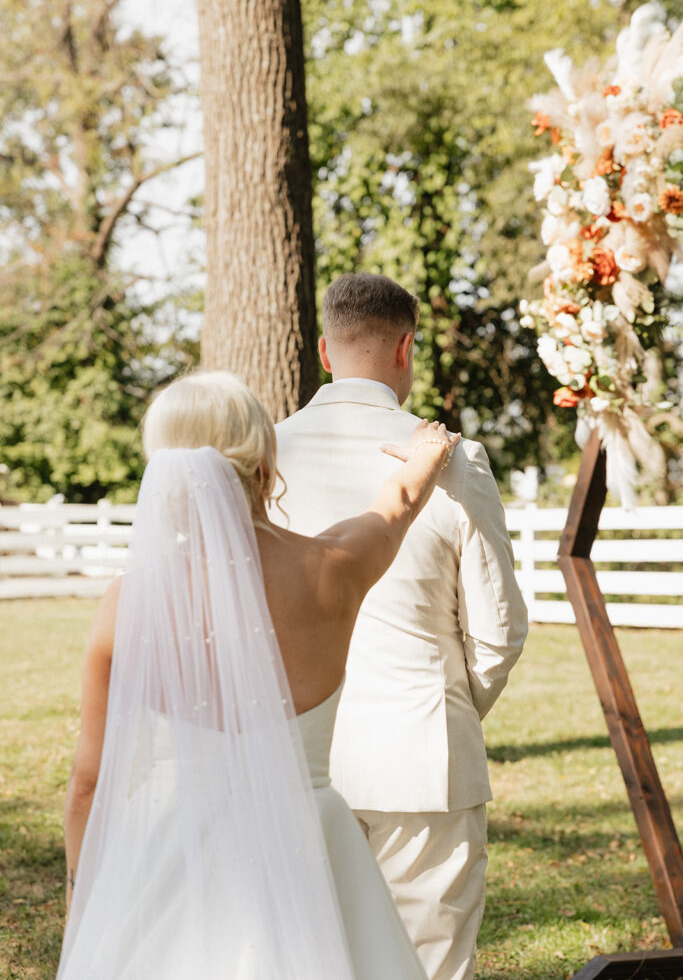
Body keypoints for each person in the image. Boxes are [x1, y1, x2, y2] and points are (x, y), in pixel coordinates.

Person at [57, 369, 459, 980]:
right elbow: (396, 503)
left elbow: (88, 786)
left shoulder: (129, 603)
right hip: (309, 842)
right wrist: (429, 452)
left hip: (168, 848)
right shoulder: (335, 568)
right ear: (266, 464)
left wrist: (87, 905)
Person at [273, 273, 529, 980]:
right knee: (428, 966)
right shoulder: (454, 459)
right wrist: (449, 707)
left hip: (293, 756)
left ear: (324, 350)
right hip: (422, 755)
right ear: (405, 347)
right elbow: (498, 627)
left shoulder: (264, 453)